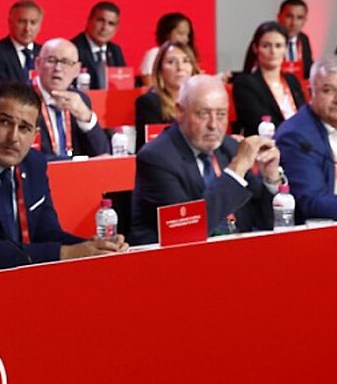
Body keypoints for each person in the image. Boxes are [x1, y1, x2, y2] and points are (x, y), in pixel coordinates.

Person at [0, 81, 127, 269]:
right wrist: (68, 253)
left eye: (24, 128)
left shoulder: (34, 164)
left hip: (18, 279)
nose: (13, 137)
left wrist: (93, 247)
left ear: (35, 134)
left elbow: (46, 232)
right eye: (5, 122)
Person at [129, 75, 284, 245]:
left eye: (221, 114)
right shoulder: (156, 158)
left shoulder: (230, 147)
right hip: (179, 262)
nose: (213, 125)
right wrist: (236, 169)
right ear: (180, 111)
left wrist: (271, 179)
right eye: (203, 114)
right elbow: (186, 230)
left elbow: (266, 221)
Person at [274, 56, 337, 221]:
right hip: (325, 234)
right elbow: (312, 201)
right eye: (328, 90)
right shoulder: (295, 136)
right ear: (311, 93)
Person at [31, 38, 111, 159]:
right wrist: (73, 162)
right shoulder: (22, 100)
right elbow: (29, 157)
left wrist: (86, 118)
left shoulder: (80, 99)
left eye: (66, 62)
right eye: (51, 60)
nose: (58, 68)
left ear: (77, 70)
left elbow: (102, 152)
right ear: (37, 64)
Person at [232, 21, 306, 136]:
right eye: (266, 46)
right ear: (255, 48)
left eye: (278, 46)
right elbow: (256, 122)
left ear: (285, 48)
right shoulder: (245, 83)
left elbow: (304, 114)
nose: (273, 51)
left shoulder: (292, 81)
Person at [134, 41, 200, 148]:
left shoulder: (201, 102)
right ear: (160, 71)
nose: (180, 67)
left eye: (186, 61)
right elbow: (153, 148)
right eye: (171, 62)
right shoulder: (149, 103)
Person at [0, 0, 44, 85]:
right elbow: (0, 92)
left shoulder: (45, 53)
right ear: (10, 22)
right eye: (21, 22)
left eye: (33, 23)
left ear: (40, 26)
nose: (27, 29)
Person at [71, 1, 127, 90]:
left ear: (116, 28)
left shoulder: (115, 51)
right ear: (89, 20)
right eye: (100, 20)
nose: (104, 28)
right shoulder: (72, 49)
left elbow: (123, 86)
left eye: (111, 24)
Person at [137, 12, 194, 85]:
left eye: (188, 35)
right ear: (167, 33)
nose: (186, 39)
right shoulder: (155, 53)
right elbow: (149, 84)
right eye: (181, 34)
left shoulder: (188, 54)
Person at [276, 0, 313, 79]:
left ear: (304, 21)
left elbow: (308, 70)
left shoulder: (304, 40)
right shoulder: (267, 40)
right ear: (278, 17)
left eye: (299, 18)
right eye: (289, 16)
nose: (294, 23)